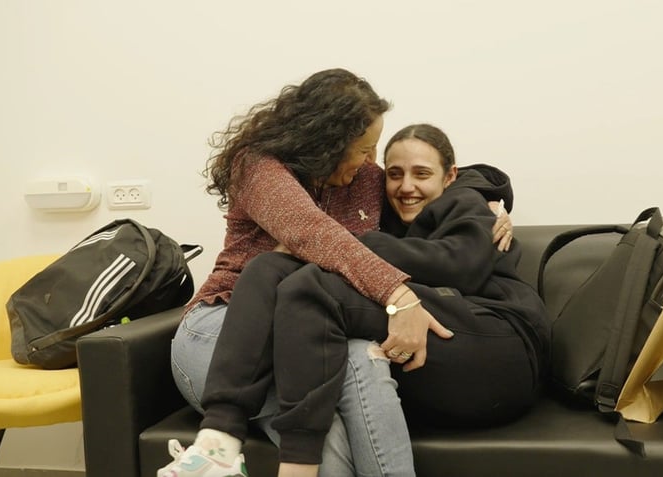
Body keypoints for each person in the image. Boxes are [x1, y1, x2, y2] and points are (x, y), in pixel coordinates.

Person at [159, 69, 514, 477]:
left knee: (364, 358)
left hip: (307, 328)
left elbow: (425, 177)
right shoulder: (258, 167)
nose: (371, 161)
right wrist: (398, 295)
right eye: (364, 149)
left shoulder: (363, 179)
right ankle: (216, 451)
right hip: (225, 327)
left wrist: (483, 199)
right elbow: (312, 232)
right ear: (327, 143)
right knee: (325, 434)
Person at [259, 123, 551, 475]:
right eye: (394, 174)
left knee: (314, 287)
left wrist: (348, 244)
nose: (406, 186)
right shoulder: (388, 213)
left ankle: (264, 448)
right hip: (454, 350)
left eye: (421, 174)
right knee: (298, 285)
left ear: (450, 176)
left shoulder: (465, 201)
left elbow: (460, 267)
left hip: (502, 338)